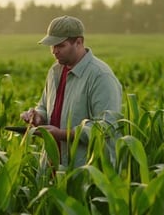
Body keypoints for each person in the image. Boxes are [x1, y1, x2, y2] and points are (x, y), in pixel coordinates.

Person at [20, 15, 122, 168]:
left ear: (79, 42)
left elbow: (107, 126)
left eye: (60, 46)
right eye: (52, 46)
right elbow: (44, 106)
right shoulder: (54, 71)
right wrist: (38, 116)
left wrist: (62, 134)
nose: (54, 51)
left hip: (86, 173)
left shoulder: (101, 76)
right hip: (53, 167)